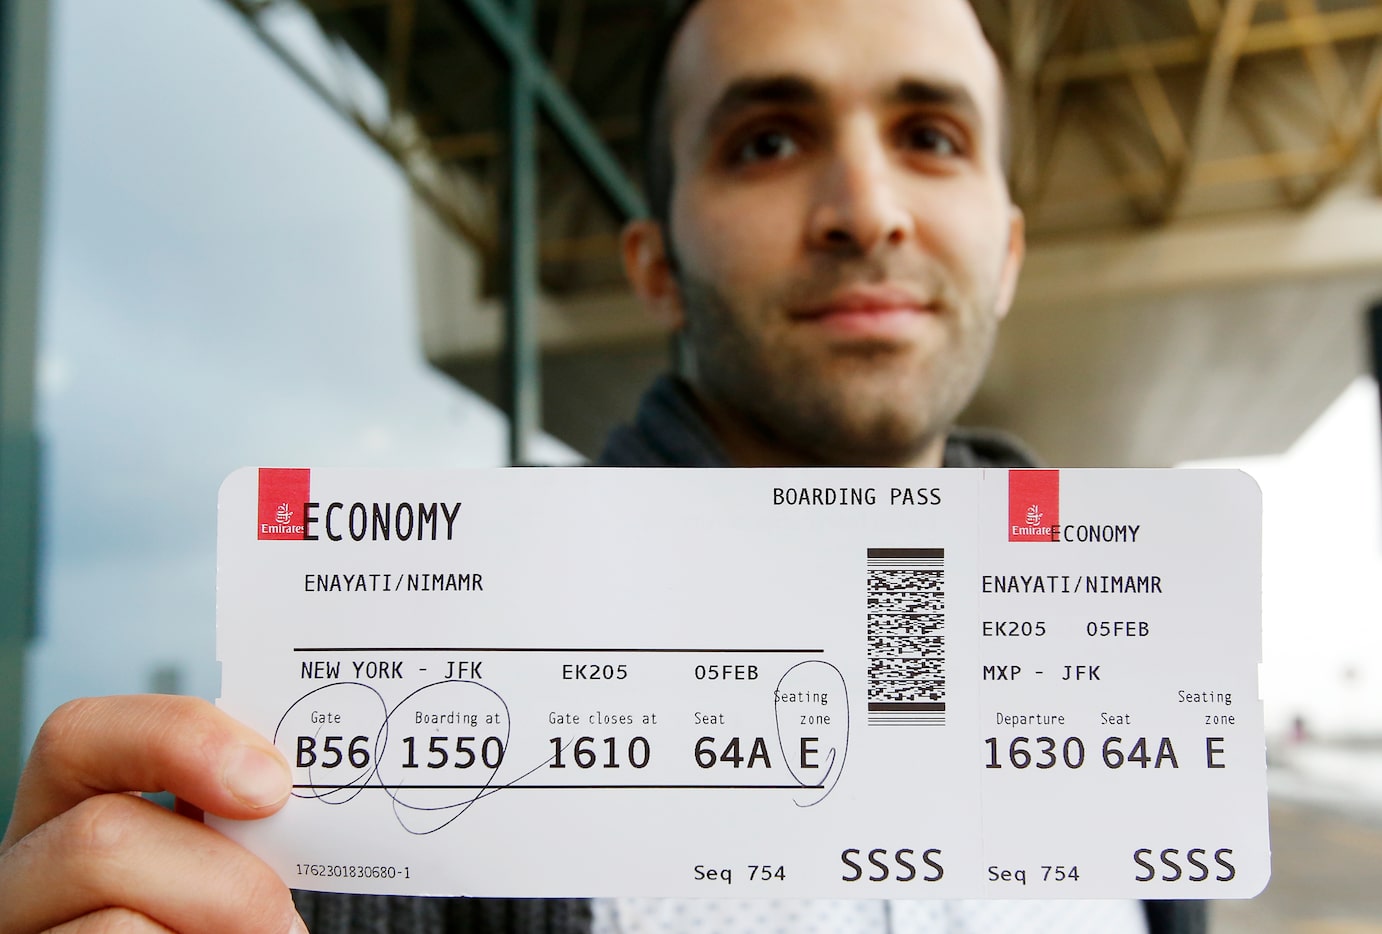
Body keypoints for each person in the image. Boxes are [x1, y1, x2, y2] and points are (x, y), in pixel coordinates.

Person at [0, 0, 1205, 931]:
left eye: (930, 136)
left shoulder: (1138, 661)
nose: (864, 207)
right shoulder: (420, 683)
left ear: (1003, 253)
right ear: (652, 264)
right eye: (766, 138)